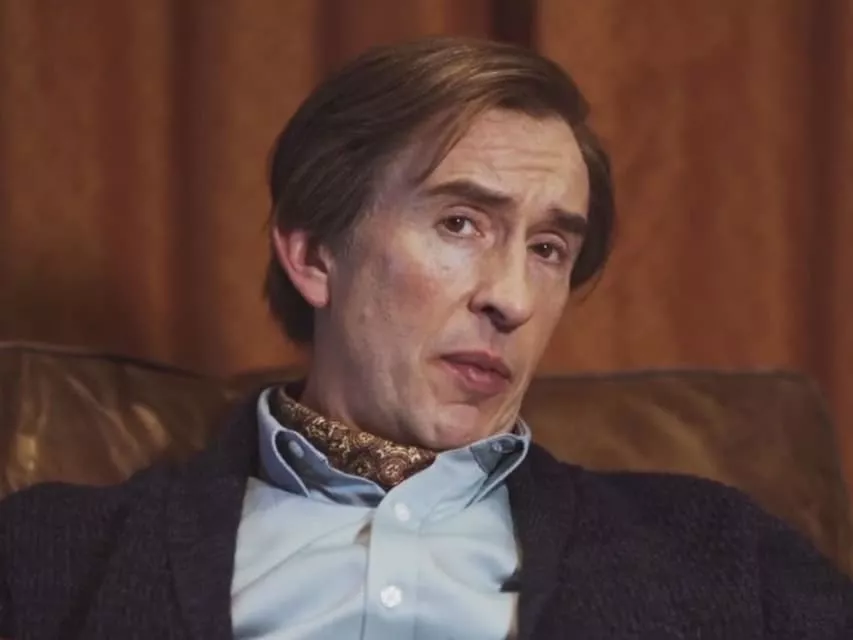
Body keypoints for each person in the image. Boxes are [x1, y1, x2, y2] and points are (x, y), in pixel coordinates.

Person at [1, 36, 851, 640]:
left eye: (548, 249)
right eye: (459, 223)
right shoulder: (50, 555)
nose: (512, 299)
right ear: (314, 253)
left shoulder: (714, 551)